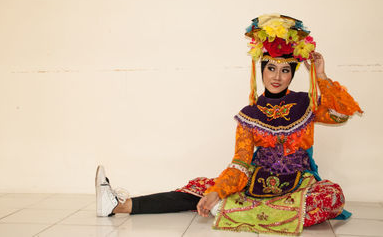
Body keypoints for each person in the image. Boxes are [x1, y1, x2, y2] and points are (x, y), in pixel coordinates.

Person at [95, 14, 362, 235]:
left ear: (292, 73)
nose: (277, 76)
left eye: (285, 70)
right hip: (257, 182)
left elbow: (341, 115)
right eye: (271, 68)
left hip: (297, 185)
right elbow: (241, 164)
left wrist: (321, 75)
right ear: (262, 71)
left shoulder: (306, 104)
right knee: (203, 188)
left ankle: (230, 210)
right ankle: (117, 205)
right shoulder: (249, 114)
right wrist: (218, 191)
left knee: (331, 195)